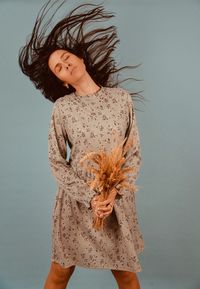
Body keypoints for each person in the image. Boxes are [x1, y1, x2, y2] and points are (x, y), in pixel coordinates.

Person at [18, 1, 145, 288]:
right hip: (76, 203)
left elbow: (133, 153)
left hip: (115, 200)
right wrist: (90, 197)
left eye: (65, 58)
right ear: (61, 81)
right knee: (60, 272)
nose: (65, 65)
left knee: (126, 274)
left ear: (80, 58)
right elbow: (56, 160)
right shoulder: (62, 108)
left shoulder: (121, 99)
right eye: (58, 68)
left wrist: (113, 194)